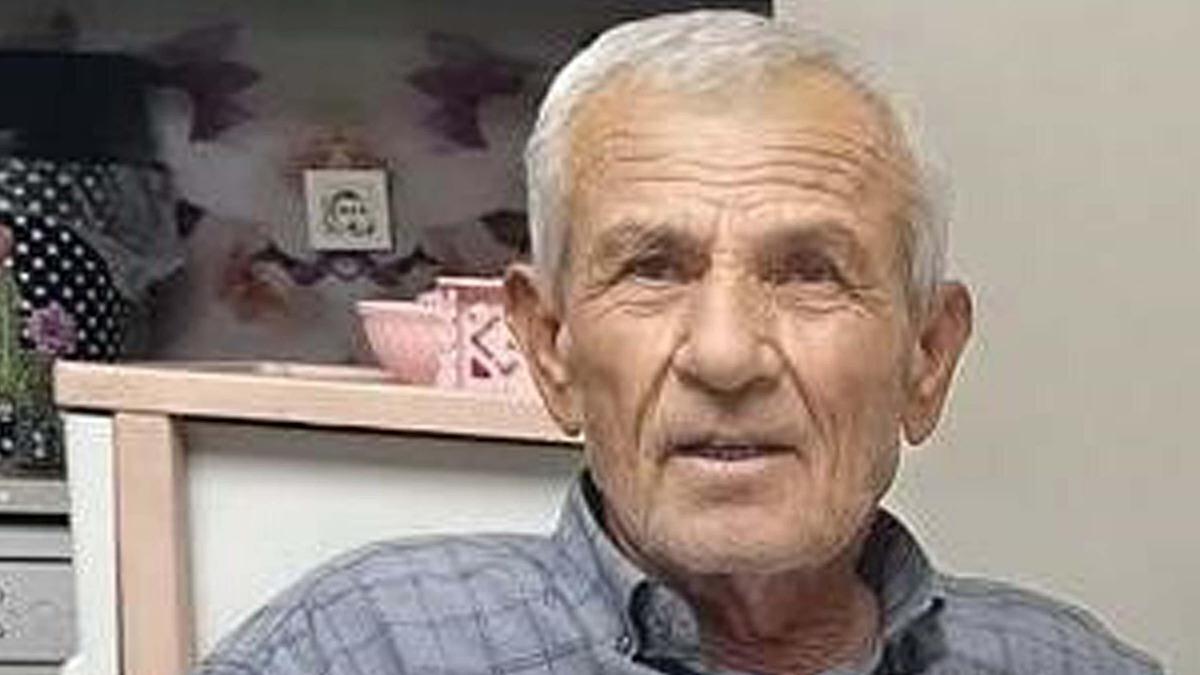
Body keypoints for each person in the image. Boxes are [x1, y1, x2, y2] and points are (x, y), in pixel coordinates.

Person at [197, 10, 1161, 675]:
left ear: (927, 358)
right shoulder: (358, 648)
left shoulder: (1075, 665)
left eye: (810, 271)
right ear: (551, 347)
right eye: (653, 268)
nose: (725, 354)